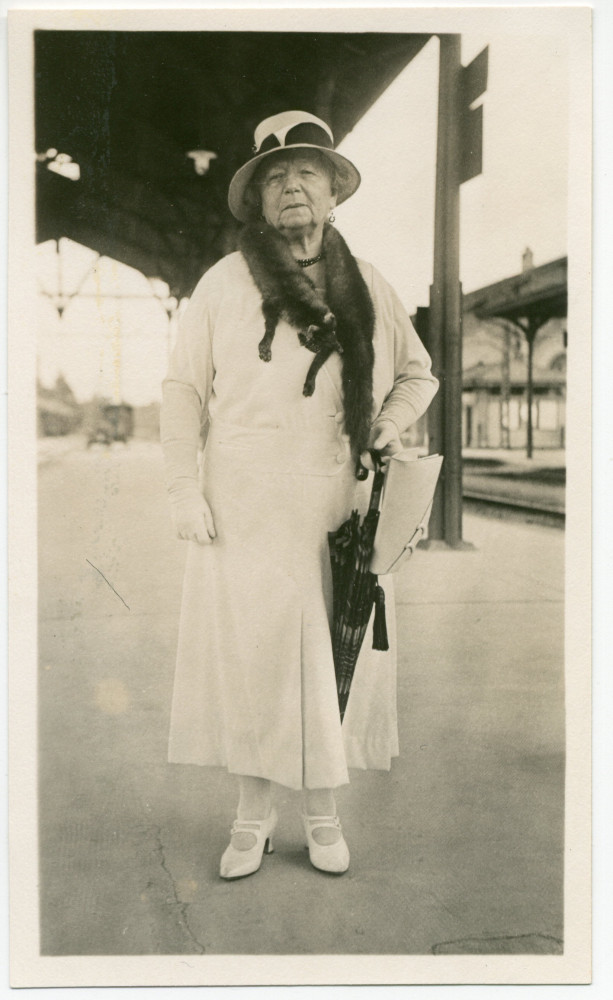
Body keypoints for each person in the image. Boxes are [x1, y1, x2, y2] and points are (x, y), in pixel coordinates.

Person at [160, 110, 438, 880]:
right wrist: (184, 486)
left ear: (331, 191)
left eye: (306, 174)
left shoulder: (368, 284)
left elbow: (419, 373)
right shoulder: (220, 285)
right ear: (255, 197)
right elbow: (182, 388)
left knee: (332, 655)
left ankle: (321, 815)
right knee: (254, 660)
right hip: (243, 503)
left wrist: (384, 424)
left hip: (337, 502)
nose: (292, 188)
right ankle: (251, 818)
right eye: (276, 177)